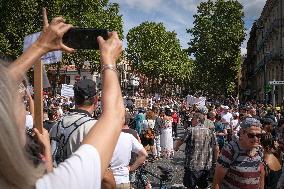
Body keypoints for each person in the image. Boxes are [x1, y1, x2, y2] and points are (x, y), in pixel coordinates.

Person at [0, 9, 124, 189]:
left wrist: (40, 46)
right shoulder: (59, 183)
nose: (25, 103)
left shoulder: (58, 125)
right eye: (20, 100)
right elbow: (114, 115)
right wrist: (109, 60)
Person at [49, 79, 98, 165]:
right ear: (96, 100)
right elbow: (101, 167)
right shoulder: (95, 127)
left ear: (74, 98)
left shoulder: (56, 125)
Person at [213, 117, 265, 189]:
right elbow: (217, 180)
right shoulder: (230, 150)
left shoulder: (260, 150)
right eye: (251, 135)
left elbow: (261, 176)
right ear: (242, 133)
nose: (256, 139)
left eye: (259, 135)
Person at [175, 112, 218, 189]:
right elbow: (216, 148)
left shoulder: (191, 130)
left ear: (198, 120)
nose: (191, 120)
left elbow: (181, 140)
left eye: (193, 119)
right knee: (203, 186)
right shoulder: (210, 132)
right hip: (205, 165)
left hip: (192, 165)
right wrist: (214, 162)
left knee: (190, 186)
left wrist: (176, 147)